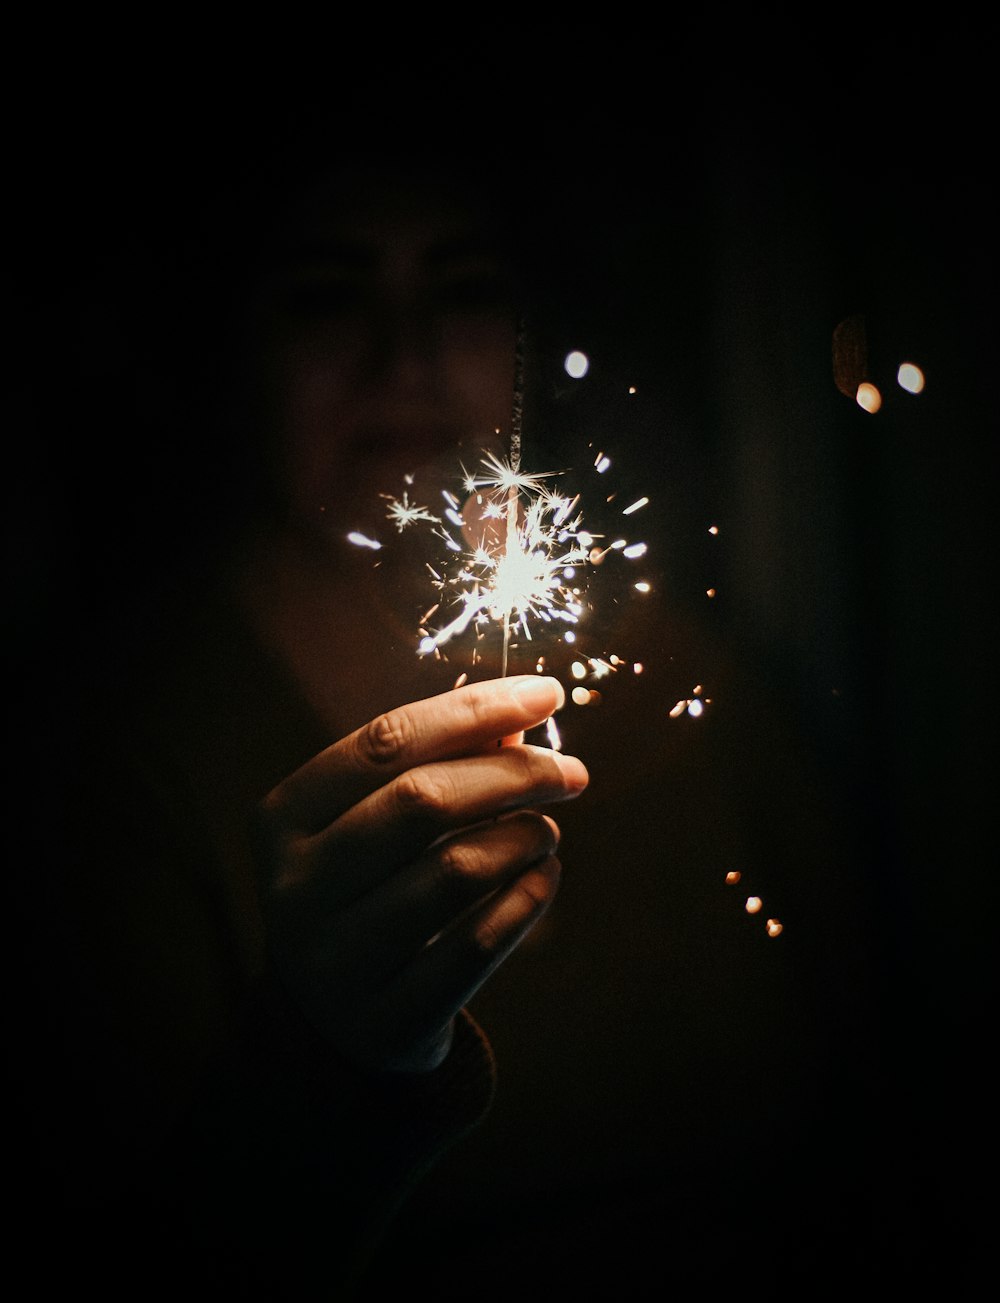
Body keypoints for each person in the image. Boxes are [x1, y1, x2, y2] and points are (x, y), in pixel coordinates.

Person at [11, 106, 903, 1297]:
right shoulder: (115, 753)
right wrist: (329, 1062)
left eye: (460, 289)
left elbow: (895, 1090)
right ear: (229, 343)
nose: (406, 357)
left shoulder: (685, 679)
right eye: (328, 296)